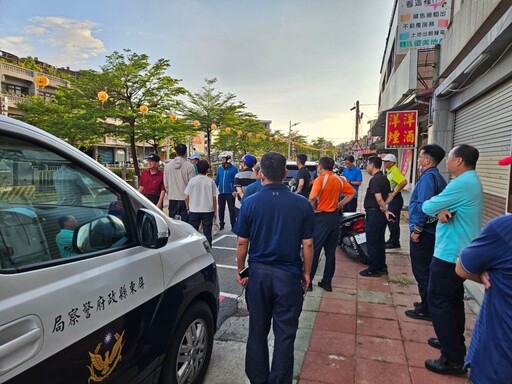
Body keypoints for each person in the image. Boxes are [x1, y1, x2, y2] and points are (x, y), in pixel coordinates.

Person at [233, 152, 315, 384]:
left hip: (258, 276)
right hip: (289, 277)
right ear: (285, 173)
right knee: (285, 335)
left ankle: (258, 379)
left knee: (257, 332)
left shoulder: (250, 203)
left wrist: (242, 271)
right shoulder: (302, 204)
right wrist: (307, 273)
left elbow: (242, 243)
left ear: (261, 175)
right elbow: (307, 243)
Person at [422, 144, 483, 376]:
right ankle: (453, 342)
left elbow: (428, 205)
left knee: (438, 300)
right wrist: (440, 209)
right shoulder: (470, 181)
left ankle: (452, 359)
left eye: (449, 157)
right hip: (459, 250)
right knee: (453, 300)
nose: (446, 161)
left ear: (459, 161)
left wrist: (437, 208)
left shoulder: (461, 184)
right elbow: (438, 207)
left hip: (449, 253)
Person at [455, 156, 512, 383]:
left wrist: (487, 274)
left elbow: (462, 268)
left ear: (458, 161)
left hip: (498, 363)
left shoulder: (504, 229)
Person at [405, 144, 447, 321]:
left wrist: (417, 229)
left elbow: (424, 206)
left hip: (424, 232)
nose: (418, 160)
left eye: (420, 157)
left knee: (422, 271)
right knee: (425, 271)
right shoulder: (437, 177)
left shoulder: (428, 178)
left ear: (428, 160)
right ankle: (426, 303)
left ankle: (427, 308)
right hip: (431, 231)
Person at [308, 157, 356, 291]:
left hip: (322, 218)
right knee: (330, 252)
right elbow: (352, 193)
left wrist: (310, 210)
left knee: (315, 251)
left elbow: (312, 198)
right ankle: (327, 282)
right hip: (335, 218)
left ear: (321, 167)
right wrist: (339, 205)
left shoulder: (320, 179)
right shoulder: (340, 179)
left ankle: (309, 282)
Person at [359, 156, 394, 277]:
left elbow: (378, 198)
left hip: (374, 214)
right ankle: (381, 266)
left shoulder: (375, 180)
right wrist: (385, 208)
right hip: (379, 214)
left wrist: (383, 207)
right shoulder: (384, 178)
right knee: (380, 240)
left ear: (372, 165)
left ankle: (373, 269)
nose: (367, 167)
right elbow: (390, 195)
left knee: (373, 241)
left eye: (368, 165)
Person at [184, 160, 218, 246]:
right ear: (207, 170)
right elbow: (214, 198)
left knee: (194, 233)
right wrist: (215, 211)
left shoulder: (192, 181)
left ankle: (194, 250)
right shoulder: (210, 182)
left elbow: (186, 197)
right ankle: (208, 250)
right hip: (207, 210)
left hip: (194, 210)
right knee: (207, 233)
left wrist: (188, 207)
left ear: (197, 169)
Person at [163, 144, 196, 222]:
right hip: (185, 199)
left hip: (172, 198)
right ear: (186, 153)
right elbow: (192, 185)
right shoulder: (190, 166)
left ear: (176, 152)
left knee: (173, 223)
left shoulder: (167, 166)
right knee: (186, 223)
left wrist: (170, 192)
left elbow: (166, 184)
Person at [382, 153, 408, 249]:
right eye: (383, 161)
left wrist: (395, 192)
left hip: (395, 199)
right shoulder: (389, 171)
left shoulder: (395, 171)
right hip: (392, 199)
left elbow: (404, 182)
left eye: (386, 161)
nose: (384, 163)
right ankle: (391, 239)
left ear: (392, 162)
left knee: (393, 221)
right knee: (390, 220)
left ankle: (395, 242)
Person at [215, 151, 238, 231]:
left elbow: (236, 181)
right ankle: (221, 223)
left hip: (230, 192)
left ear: (228, 159)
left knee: (232, 210)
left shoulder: (234, 169)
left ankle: (233, 225)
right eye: (222, 158)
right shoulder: (220, 168)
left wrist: (234, 190)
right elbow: (217, 180)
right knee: (221, 209)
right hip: (221, 192)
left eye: (224, 158)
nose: (222, 159)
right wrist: (214, 189)